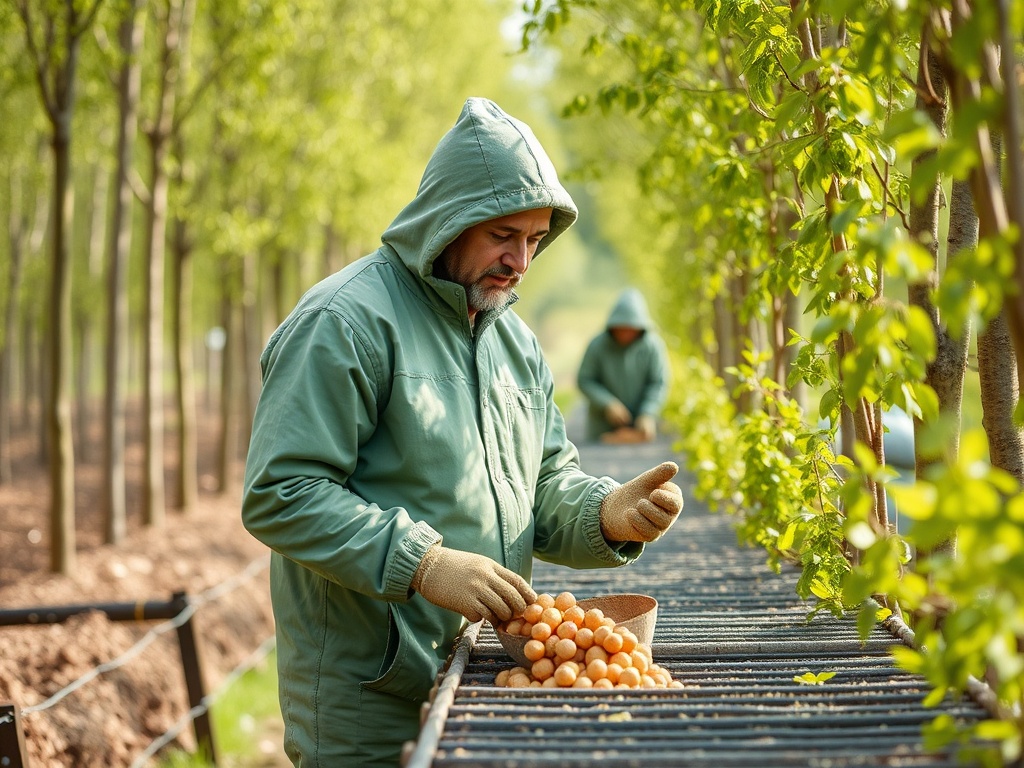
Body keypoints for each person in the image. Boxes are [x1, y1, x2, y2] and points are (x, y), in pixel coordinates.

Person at [241, 97, 684, 766]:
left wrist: (605, 513)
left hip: (479, 681)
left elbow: (542, 482)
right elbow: (282, 493)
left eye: (534, 240)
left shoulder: (515, 342)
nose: (520, 260)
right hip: (371, 697)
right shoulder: (346, 322)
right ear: (449, 220)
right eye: (503, 235)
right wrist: (421, 562)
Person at [577, 287, 671, 443]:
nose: (625, 333)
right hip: (603, 429)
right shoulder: (597, 345)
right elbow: (585, 380)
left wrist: (647, 413)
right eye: (621, 328)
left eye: (630, 328)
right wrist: (608, 403)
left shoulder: (653, 346)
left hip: (640, 429)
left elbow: (658, 383)